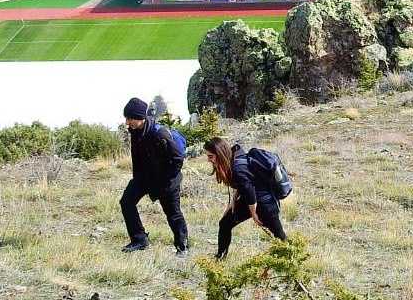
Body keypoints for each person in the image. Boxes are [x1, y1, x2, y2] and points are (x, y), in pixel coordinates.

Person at [119, 97, 189, 255]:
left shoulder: (160, 133)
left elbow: (178, 157)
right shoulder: (135, 132)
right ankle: (139, 239)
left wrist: (167, 179)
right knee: (126, 202)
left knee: (173, 213)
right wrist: (137, 179)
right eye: (126, 118)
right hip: (145, 177)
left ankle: (182, 247)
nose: (127, 122)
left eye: (130, 118)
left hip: (167, 180)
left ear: (139, 117)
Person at [206, 136, 289, 260]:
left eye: (211, 156)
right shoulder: (233, 158)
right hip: (250, 201)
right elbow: (244, 185)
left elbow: (249, 191)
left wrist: (254, 214)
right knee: (225, 224)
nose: (208, 160)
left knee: (278, 236)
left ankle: (293, 261)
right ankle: (220, 258)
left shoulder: (237, 168)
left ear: (220, 154)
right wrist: (233, 201)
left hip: (265, 203)